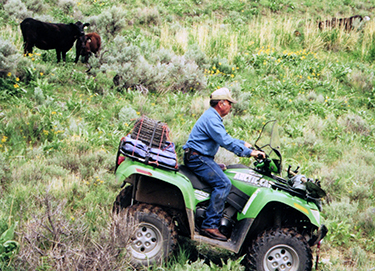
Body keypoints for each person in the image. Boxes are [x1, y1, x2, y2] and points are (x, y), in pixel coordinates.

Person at [183, 87, 265, 241]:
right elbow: (225, 141)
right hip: (198, 158)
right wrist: (249, 153)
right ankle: (210, 225)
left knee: (226, 174)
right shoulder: (212, 119)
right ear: (221, 104)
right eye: (229, 103)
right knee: (223, 184)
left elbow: (225, 137)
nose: (231, 106)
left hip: (201, 157)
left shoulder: (212, 117)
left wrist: (243, 143)